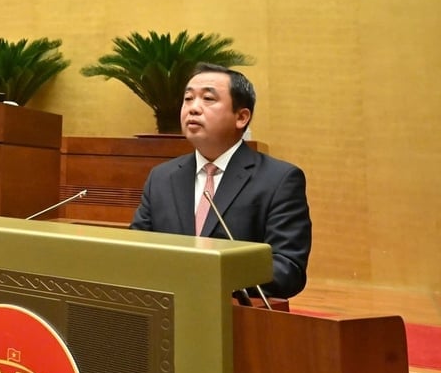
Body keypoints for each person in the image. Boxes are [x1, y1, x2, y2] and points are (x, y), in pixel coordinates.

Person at [130, 63, 311, 299]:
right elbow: (135, 252)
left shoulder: (279, 180)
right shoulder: (162, 178)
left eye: (208, 99)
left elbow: (288, 269)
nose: (193, 108)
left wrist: (208, 278)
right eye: (188, 99)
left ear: (241, 117)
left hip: (236, 321)